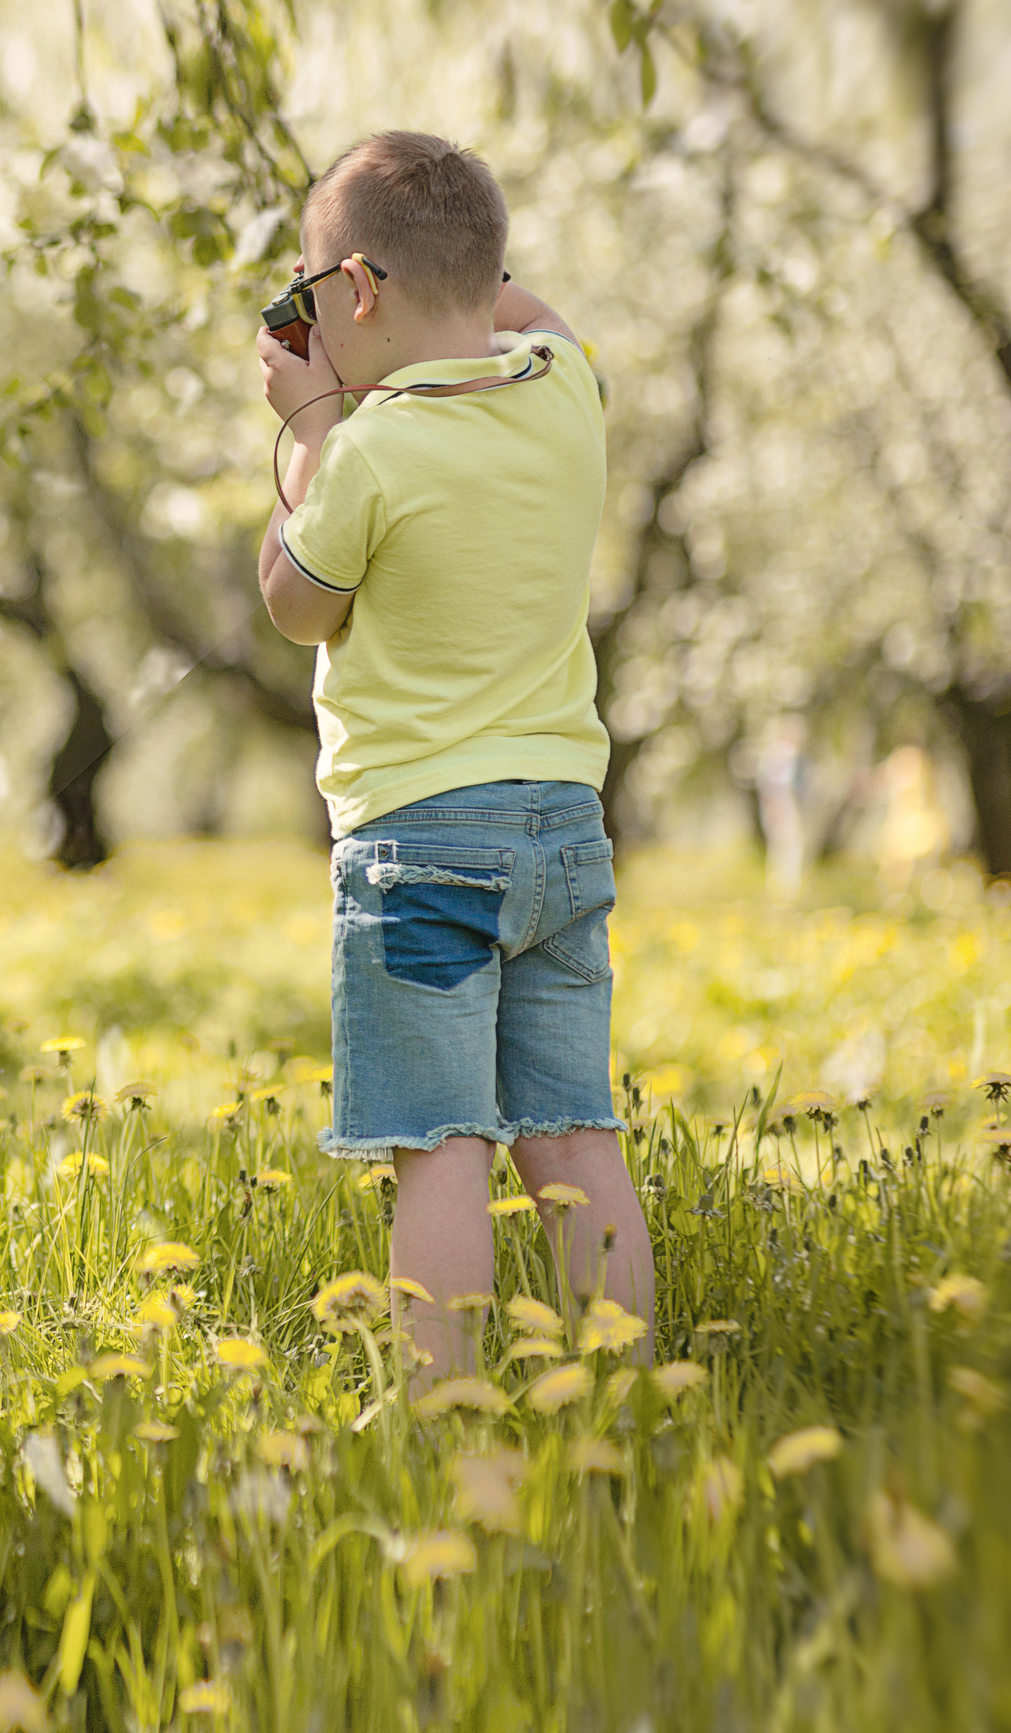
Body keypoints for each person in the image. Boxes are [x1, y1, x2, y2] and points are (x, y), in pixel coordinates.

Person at [254, 131, 655, 1388]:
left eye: (319, 295)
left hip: (420, 842)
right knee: (576, 1138)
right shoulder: (564, 389)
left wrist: (313, 422)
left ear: (356, 291)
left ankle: (445, 1417)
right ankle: (628, 1393)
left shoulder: (368, 455)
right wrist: (461, 282)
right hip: (560, 831)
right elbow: (524, 310)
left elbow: (293, 603)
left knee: (439, 1147)